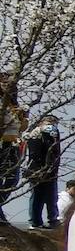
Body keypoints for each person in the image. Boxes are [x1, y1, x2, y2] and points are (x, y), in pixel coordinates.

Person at [24, 115, 61, 229]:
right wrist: (40, 169)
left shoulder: (52, 135)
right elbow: (34, 154)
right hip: (38, 170)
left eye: (54, 122)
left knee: (51, 196)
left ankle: (51, 220)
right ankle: (35, 221)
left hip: (50, 170)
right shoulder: (36, 134)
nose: (52, 125)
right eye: (49, 121)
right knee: (37, 196)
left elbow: (55, 152)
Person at [0, 74, 28, 225]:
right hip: (2, 143)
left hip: (14, 144)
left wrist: (24, 117)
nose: (7, 86)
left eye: (10, 84)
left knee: (13, 179)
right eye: (4, 83)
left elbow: (22, 128)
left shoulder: (14, 105)